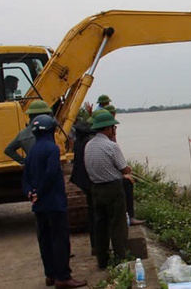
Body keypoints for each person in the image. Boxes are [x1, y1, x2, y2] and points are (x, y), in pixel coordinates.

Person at [22, 114, 87, 289]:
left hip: (39, 205)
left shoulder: (32, 151)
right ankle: (63, 277)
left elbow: (26, 177)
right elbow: (51, 173)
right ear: (51, 129)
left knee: (45, 239)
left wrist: (31, 193)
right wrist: (40, 192)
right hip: (54, 202)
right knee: (60, 239)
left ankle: (50, 274)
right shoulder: (52, 149)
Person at [84, 111, 136, 269]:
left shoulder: (88, 145)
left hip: (96, 189)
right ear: (107, 129)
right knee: (117, 226)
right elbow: (125, 169)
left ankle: (102, 261)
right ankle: (121, 261)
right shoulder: (111, 146)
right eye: (113, 127)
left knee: (100, 226)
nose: (114, 130)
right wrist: (127, 171)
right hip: (113, 189)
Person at [69, 119, 96, 255]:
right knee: (96, 215)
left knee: (93, 214)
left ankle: (95, 246)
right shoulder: (87, 144)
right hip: (89, 182)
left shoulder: (79, 143)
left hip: (82, 181)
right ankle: (97, 246)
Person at [4, 100, 53, 164]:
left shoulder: (22, 134)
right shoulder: (47, 132)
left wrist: (24, 162)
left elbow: (8, 150)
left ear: (30, 116)